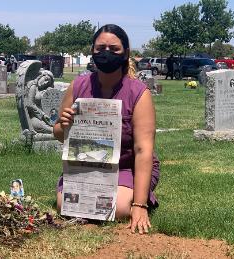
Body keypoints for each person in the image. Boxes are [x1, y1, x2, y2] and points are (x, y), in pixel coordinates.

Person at [53, 24, 160, 235]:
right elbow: (57, 133)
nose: (106, 54)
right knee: (65, 206)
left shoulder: (139, 93)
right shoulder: (77, 86)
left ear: (126, 53)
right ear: (92, 51)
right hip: (87, 166)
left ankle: (137, 193)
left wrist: (139, 206)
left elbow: (143, 150)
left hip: (128, 167)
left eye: (114, 49)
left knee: (117, 208)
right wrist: (63, 126)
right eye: (100, 48)